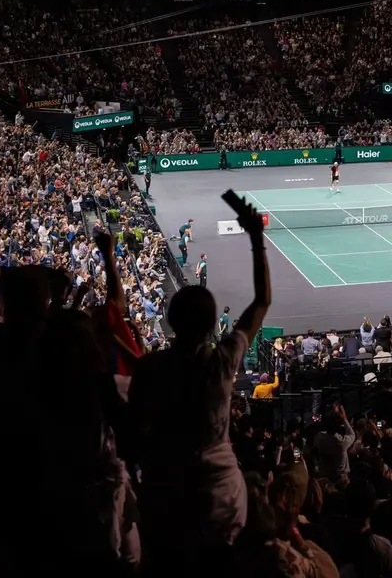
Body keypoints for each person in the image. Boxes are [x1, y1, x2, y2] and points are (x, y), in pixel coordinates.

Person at [126, 195, 271, 573]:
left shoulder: (149, 368)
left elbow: (132, 436)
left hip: (164, 498)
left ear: (172, 322)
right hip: (219, 498)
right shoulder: (223, 361)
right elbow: (261, 303)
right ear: (211, 327)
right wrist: (256, 237)